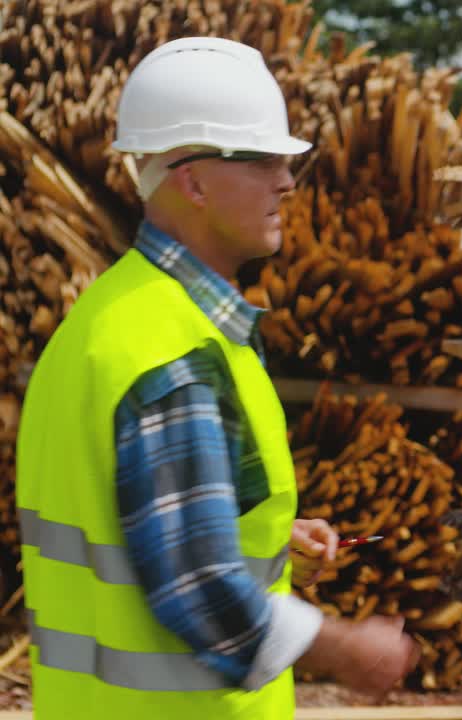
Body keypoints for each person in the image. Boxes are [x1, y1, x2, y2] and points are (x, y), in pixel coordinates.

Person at [16, 37, 419, 718]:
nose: (286, 182)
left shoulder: (110, 319)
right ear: (193, 180)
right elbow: (200, 590)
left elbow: (129, 516)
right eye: (261, 159)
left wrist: (258, 536)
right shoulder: (169, 353)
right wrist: (345, 647)